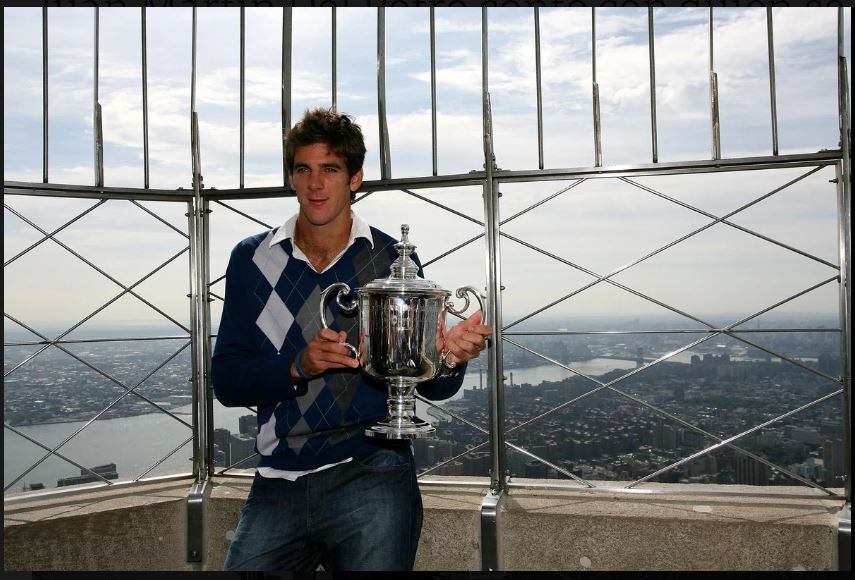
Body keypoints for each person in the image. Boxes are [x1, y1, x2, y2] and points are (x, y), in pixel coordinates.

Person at [212, 107, 492, 572]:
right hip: (277, 477)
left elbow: (433, 386)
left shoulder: (392, 260)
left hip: (374, 470)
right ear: (291, 177)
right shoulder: (251, 259)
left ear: (355, 178)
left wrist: (447, 357)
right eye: (303, 169)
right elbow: (227, 381)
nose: (315, 183)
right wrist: (296, 366)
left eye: (330, 169)